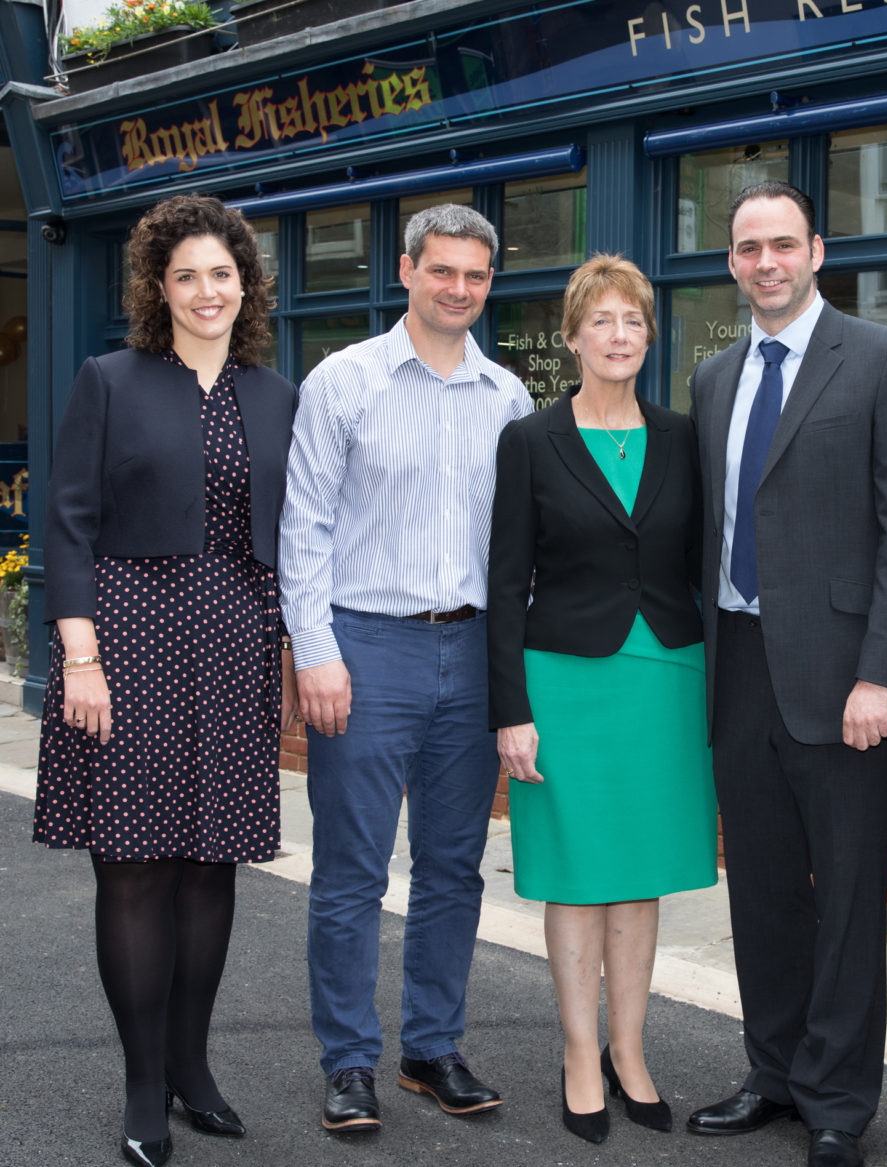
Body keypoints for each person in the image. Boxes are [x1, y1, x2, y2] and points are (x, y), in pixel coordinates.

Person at [34, 193, 298, 1167]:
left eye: (220, 273)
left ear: (245, 285)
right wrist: (81, 656)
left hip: (233, 647)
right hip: (127, 645)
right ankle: (145, 1086)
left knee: (208, 866)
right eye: (185, 274)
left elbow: (298, 535)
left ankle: (194, 1069)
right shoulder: (109, 380)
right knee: (138, 869)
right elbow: (66, 521)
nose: (204, 291)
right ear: (159, 286)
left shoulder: (276, 395)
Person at [686, 181, 887, 1167]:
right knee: (758, 889)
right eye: (748, 248)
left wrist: (882, 672)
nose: (766, 263)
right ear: (733, 263)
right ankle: (774, 1071)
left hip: (847, 680)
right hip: (740, 666)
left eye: (782, 244)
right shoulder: (714, 377)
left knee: (844, 896)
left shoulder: (884, 360)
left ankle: (838, 1099)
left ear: (817, 252)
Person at [279, 203, 533, 1134]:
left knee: (454, 868)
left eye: (476, 275)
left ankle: (433, 1048)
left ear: (489, 282)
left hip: (470, 652)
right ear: (407, 270)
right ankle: (349, 1061)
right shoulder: (343, 382)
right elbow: (301, 526)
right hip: (365, 648)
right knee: (350, 873)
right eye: (443, 271)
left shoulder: (507, 397)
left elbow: (519, 553)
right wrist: (316, 650)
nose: (459, 289)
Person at [487, 254, 717, 1145]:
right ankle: (580, 1054)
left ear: (649, 337)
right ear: (573, 337)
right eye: (603, 321)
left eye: (634, 321)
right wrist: (511, 709)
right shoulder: (530, 441)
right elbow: (506, 584)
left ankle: (631, 1051)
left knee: (639, 877)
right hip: (566, 684)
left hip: (663, 679)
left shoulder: (682, 437)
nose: (619, 336)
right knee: (579, 875)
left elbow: (704, 560)